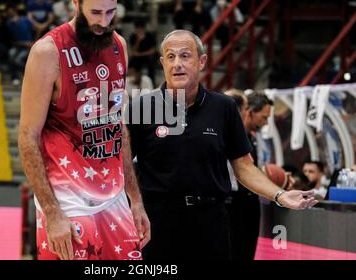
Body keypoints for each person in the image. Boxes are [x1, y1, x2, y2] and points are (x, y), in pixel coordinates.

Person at [127, 29, 318, 260]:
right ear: (162, 62)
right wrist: (135, 203)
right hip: (158, 221)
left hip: (210, 221)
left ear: (202, 61)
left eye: (185, 55)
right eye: (170, 56)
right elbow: (122, 164)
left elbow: (244, 167)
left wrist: (279, 195)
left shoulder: (224, 107)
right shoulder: (141, 107)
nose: (177, 63)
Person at [18, 0, 150, 260]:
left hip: (114, 199)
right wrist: (52, 213)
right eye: (96, 12)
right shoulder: (47, 52)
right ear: (75, 2)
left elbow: (118, 127)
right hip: (67, 202)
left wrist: (136, 200)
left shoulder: (119, 46)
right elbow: (27, 136)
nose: (104, 21)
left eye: (111, 12)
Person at [225, 90, 273, 260]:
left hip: (250, 199)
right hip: (231, 200)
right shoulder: (226, 134)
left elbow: (255, 168)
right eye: (264, 117)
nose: (265, 123)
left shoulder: (255, 137)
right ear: (249, 111)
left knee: (247, 250)